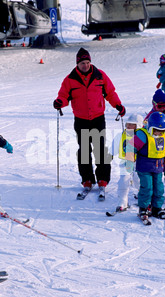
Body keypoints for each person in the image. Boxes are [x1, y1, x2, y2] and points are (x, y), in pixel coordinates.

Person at [54, 47, 125, 193]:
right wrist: (59, 102)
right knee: (84, 150)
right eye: (82, 63)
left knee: (100, 149)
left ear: (90, 62)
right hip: (81, 120)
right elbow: (63, 95)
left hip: (98, 118)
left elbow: (110, 93)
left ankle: (103, 178)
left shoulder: (100, 76)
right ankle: (87, 178)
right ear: (77, 64)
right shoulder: (70, 79)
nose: (85, 66)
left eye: (87, 62)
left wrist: (118, 105)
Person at [129, 112, 165, 221]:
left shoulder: (164, 137)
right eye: (156, 131)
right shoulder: (143, 135)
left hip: (158, 167)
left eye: (162, 131)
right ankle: (143, 208)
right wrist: (130, 160)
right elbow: (131, 147)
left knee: (159, 188)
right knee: (147, 188)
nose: (159, 133)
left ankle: (156, 208)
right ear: (150, 127)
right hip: (144, 167)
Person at [111, 113, 144, 212]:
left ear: (138, 125)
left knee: (138, 180)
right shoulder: (123, 134)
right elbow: (114, 146)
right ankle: (123, 200)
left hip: (139, 161)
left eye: (131, 124)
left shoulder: (142, 135)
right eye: (127, 124)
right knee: (123, 180)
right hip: (126, 160)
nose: (128, 126)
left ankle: (143, 195)